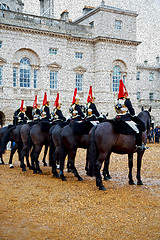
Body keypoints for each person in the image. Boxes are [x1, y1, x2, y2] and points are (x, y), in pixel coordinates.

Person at [115, 79, 147, 150]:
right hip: (126, 118)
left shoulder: (117, 101)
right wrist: (133, 115)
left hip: (118, 117)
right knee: (137, 129)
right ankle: (139, 145)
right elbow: (131, 110)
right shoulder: (126, 101)